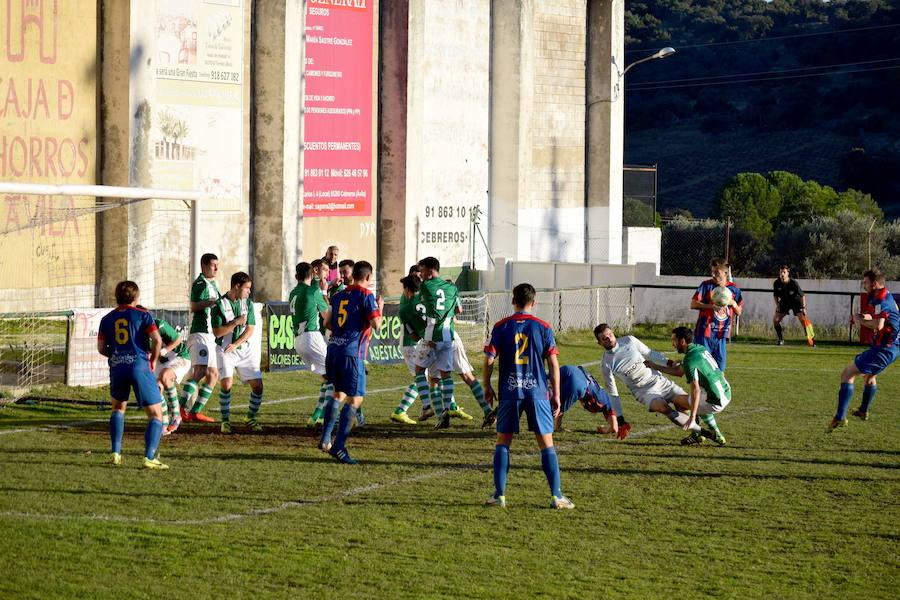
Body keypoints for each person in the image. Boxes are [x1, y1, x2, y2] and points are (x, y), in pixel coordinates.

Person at [482, 283, 574, 509]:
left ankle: (499, 495)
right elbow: (553, 363)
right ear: (534, 303)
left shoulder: (501, 326)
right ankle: (556, 496)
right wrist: (557, 394)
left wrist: (486, 386)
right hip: (537, 393)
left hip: (510, 392)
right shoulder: (543, 327)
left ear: (513, 301)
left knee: (503, 443)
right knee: (546, 444)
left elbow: (488, 360)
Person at [97, 281, 168, 469]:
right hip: (139, 366)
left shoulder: (106, 319)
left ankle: (115, 454)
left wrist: (116, 356)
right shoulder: (143, 315)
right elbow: (157, 340)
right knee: (155, 414)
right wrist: (152, 360)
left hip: (117, 366)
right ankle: (149, 457)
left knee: (118, 408)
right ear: (136, 297)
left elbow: (101, 348)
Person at [318, 260, 384, 464]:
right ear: (368, 278)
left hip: (334, 350)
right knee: (355, 399)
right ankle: (339, 447)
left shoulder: (338, 295)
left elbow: (327, 323)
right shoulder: (366, 295)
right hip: (352, 352)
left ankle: (325, 438)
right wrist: (380, 308)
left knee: (338, 393)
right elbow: (376, 325)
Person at [596, 324, 709, 440]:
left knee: (687, 402)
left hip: (659, 381)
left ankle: (703, 433)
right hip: (644, 392)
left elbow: (650, 353)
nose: (609, 339)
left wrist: (669, 363)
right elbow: (613, 393)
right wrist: (620, 419)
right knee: (665, 409)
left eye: (610, 335)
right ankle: (705, 433)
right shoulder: (606, 364)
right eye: (605, 338)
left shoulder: (629, 340)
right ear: (600, 343)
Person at [829, 268, 899, 430]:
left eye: (866, 283)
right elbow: (876, 317)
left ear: (874, 284)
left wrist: (859, 320)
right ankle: (863, 411)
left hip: (883, 349)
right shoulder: (883, 294)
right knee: (869, 378)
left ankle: (840, 418)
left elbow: (879, 325)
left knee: (847, 375)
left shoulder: (881, 299)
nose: (864, 286)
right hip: (893, 348)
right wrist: (860, 316)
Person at [647, 327, 731, 446]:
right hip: (725, 391)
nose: (673, 344)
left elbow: (695, 389)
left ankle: (697, 434)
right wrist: (656, 366)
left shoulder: (689, 360)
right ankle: (716, 433)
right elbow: (680, 372)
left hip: (715, 400)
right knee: (697, 401)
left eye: (674, 341)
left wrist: (692, 416)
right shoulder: (699, 348)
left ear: (682, 341)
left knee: (679, 401)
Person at [412, 257, 462, 429]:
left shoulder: (425, 286)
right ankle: (446, 410)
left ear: (431, 271)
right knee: (445, 374)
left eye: (422, 270)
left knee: (419, 370)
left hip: (432, 335)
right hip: (448, 336)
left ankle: (426, 406)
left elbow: (422, 304)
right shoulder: (452, 287)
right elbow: (459, 309)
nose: (420, 274)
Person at [211, 272, 263, 433]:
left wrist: (236, 343)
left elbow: (250, 329)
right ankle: (225, 421)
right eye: (247, 288)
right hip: (225, 350)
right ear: (237, 286)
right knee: (226, 384)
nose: (249, 291)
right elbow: (218, 333)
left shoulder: (248, 304)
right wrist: (235, 322)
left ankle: (250, 418)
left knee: (258, 387)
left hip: (242, 348)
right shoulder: (219, 305)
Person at [289, 262, 332, 427]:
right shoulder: (312, 291)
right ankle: (321, 416)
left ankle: (317, 416)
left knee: (327, 377)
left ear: (296, 277)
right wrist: (323, 291)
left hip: (299, 340)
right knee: (335, 375)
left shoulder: (293, 292)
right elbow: (326, 315)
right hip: (311, 337)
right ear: (312, 274)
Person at [180, 253, 221, 423]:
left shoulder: (212, 284)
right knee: (200, 372)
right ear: (204, 266)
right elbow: (193, 306)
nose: (216, 268)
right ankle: (180, 408)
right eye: (213, 265)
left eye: (217, 265)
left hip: (210, 335)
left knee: (213, 375)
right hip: (200, 334)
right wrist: (211, 302)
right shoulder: (200, 284)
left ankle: (195, 412)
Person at [691, 257, 743, 371]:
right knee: (702, 369)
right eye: (712, 271)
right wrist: (711, 306)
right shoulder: (705, 286)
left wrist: (733, 303)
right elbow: (693, 304)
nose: (713, 275)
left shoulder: (734, 289)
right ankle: (699, 389)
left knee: (720, 371)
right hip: (704, 333)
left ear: (725, 273)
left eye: (716, 272)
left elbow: (739, 311)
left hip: (721, 334)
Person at [392, 274, 428, 424]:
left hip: (413, 342)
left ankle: (404, 410)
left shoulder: (406, 305)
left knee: (422, 377)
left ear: (407, 288)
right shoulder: (425, 300)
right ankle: (401, 410)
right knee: (421, 377)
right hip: (411, 344)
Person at [149, 311, 191, 435]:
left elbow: (178, 340)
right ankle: (164, 424)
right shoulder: (137, 332)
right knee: (156, 388)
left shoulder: (159, 325)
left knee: (165, 376)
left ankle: (176, 415)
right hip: (161, 361)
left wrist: (165, 350)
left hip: (178, 357)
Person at [556, 365, 619, 435]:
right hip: (578, 383)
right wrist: (604, 429)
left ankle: (555, 426)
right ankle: (555, 427)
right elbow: (614, 428)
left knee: (544, 388)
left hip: (571, 369)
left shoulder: (600, 392)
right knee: (557, 407)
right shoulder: (607, 402)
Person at [773, 265, 814, 346]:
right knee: (775, 320)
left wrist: (803, 308)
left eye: (784, 272)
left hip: (796, 302)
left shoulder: (794, 283)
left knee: (803, 320)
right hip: (784, 302)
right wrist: (777, 305)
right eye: (781, 272)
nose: (782, 274)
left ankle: (811, 340)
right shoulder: (776, 283)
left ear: (788, 273)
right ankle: (781, 340)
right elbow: (775, 295)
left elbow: (802, 296)